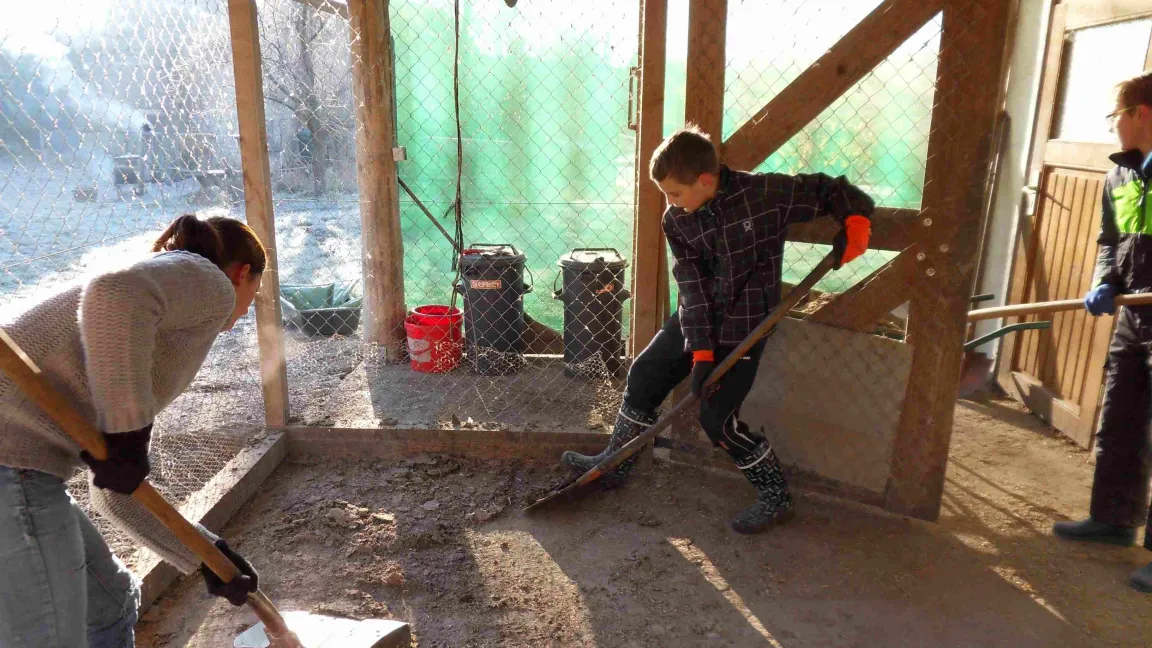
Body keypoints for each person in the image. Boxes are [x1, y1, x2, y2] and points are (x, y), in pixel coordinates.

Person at [560, 125, 873, 533]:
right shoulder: (677, 220)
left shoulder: (764, 195)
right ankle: (617, 463)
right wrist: (701, 351)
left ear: (705, 181)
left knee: (716, 418)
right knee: (645, 373)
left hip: (746, 326)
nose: (670, 203)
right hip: (698, 316)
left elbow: (830, 190)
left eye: (675, 193)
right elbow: (690, 284)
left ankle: (776, 497)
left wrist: (856, 221)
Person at [0, 214, 266, 647]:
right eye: (254, 295)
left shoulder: (151, 323)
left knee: (111, 605)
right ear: (242, 274)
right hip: (10, 461)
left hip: (25, 466)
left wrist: (206, 554)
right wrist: (128, 433)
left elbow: (117, 490)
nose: (244, 310)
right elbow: (114, 292)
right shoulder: (211, 283)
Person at [1053, 72, 1152, 593]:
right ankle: (1114, 519)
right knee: (1120, 420)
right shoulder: (1121, 175)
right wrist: (1105, 280)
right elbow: (1111, 239)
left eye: (1115, 114)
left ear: (1141, 113)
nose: (1112, 125)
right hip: (1134, 317)